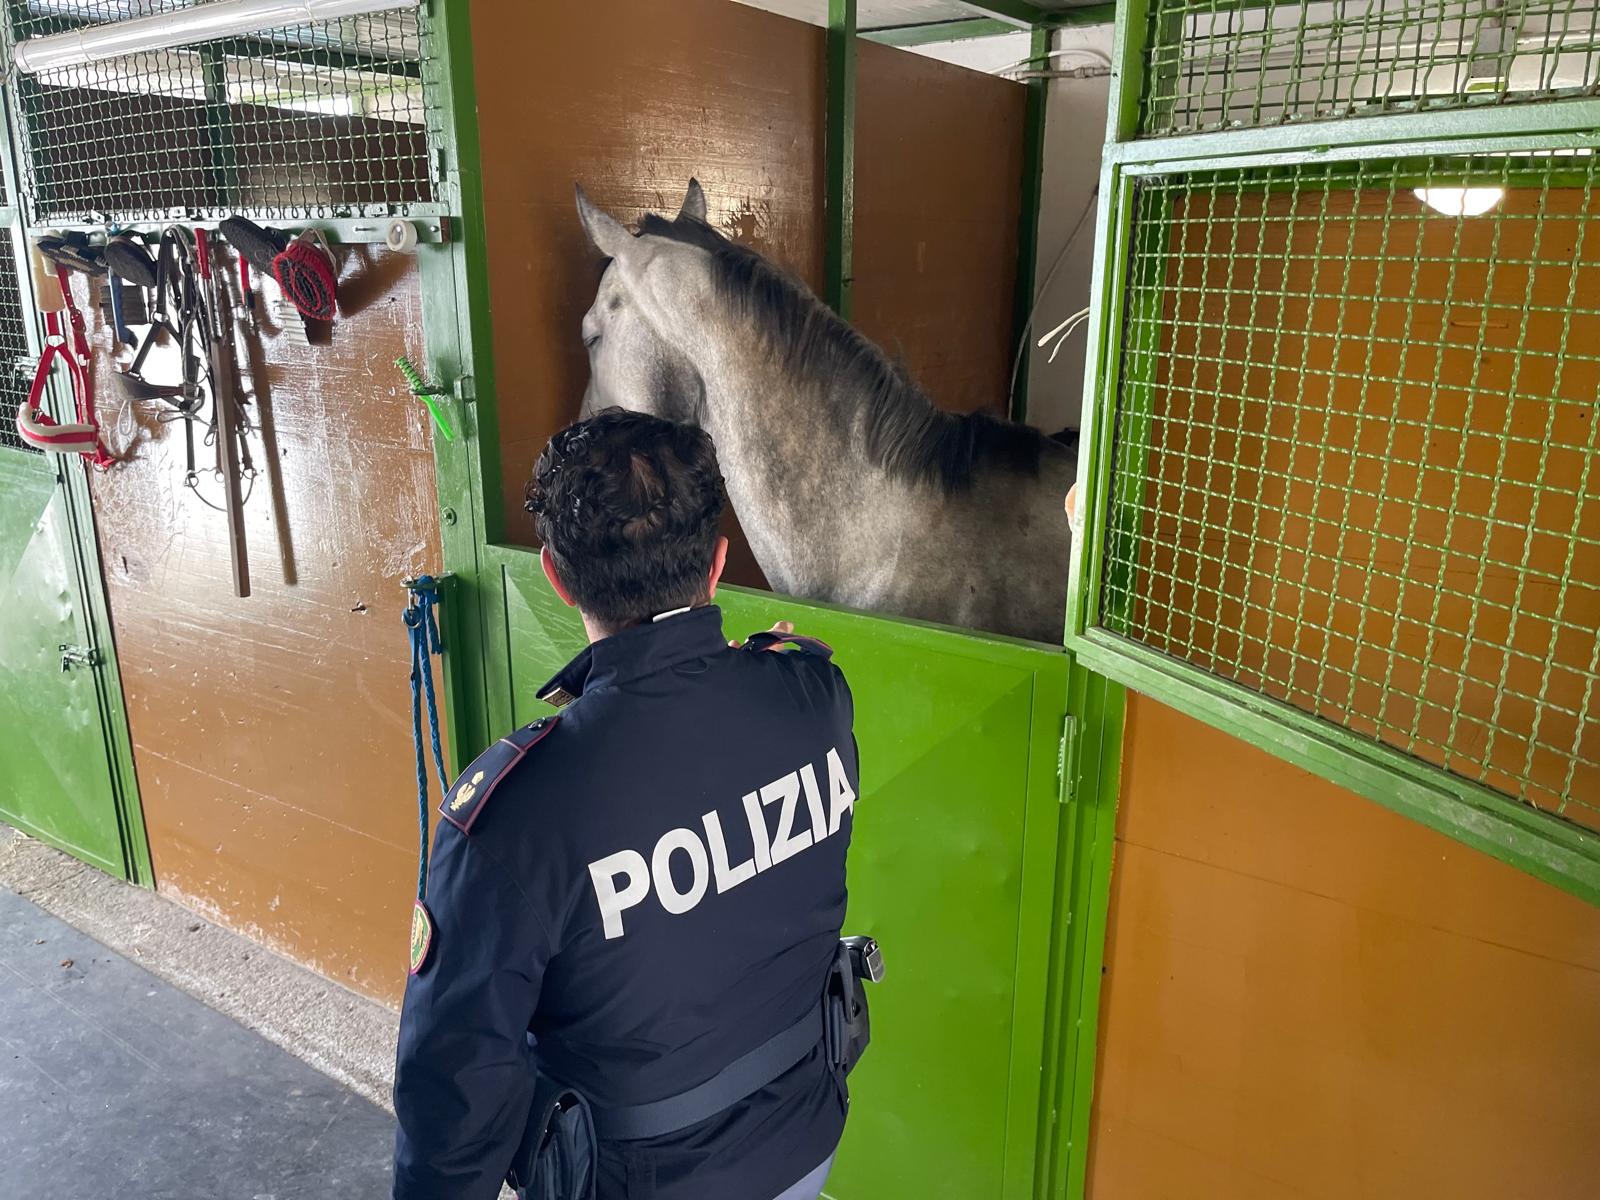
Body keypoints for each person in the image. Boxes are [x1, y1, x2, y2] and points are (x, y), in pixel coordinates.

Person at [392, 408, 858, 1200]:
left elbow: (457, 1090)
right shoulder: (813, 694)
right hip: (804, 1135)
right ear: (718, 563)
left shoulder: (512, 818)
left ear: (556, 577)